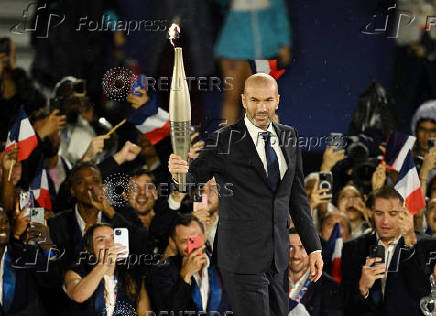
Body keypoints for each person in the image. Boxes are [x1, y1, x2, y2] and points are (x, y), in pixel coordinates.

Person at [168, 73, 323, 316]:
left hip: (278, 259)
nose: (262, 108)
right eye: (254, 100)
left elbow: (297, 196)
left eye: (268, 100)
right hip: (241, 259)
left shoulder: (289, 136)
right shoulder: (223, 139)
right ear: (243, 100)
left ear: (278, 100)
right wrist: (178, 174)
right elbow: (190, 179)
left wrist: (314, 247)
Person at [341, 186, 433, 316]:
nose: (385, 221)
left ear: (404, 214)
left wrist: (409, 243)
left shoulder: (427, 245)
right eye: (379, 213)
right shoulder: (353, 248)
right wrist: (362, 288)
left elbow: (423, 298)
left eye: (392, 214)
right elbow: (346, 308)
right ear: (370, 213)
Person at [147, 213, 230, 314]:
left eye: (195, 239)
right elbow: (170, 312)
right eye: (183, 241)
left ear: (204, 236)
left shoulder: (222, 266)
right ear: (173, 243)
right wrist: (185, 275)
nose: (191, 246)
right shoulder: (161, 273)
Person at [64, 223, 150, 316]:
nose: (110, 244)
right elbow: (78, 296)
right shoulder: (76, 271)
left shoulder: (133, 274)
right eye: (101, 240)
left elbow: (143, 312)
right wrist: (104, 265)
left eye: (113, 238)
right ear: (89, 249)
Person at [288, 228, 343, 316]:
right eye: (290, 247)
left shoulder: (329, 286)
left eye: (302, 247)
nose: (296, 255)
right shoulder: (270, 283)